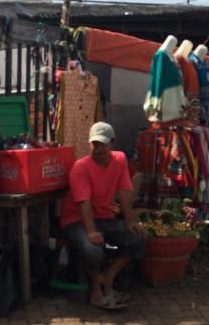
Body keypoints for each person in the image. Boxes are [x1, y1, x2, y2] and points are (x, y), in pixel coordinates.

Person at [60, 122, 146, 310]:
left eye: (102, 144)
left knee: (137, 239)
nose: (98, 149)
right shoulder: (80, 167)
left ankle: (108, 277)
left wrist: (131, 219)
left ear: (112, 143)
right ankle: (96, 291)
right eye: (94, 144)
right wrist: (91, 232)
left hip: (104, 217)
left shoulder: (120, 159)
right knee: (92, 249)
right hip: (76, 220)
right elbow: (84, 203)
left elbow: (124, 191)